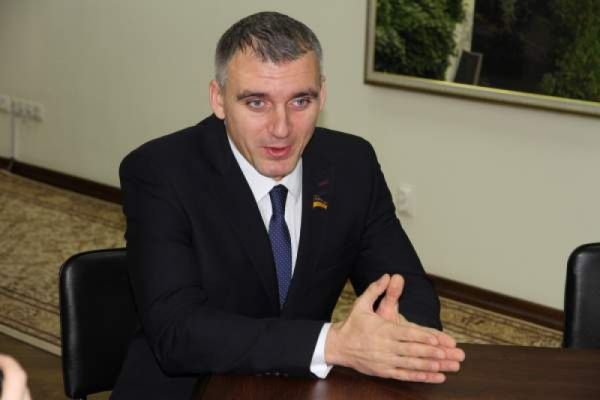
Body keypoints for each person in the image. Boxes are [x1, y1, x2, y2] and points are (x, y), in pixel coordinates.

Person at [112, 11, 464, 399]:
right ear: (219, 99)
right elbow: (177, 333)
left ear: (322, 96)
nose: (281, 128)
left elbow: (406, 285)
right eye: (256, 103)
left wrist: (402, 334)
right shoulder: (161, 171)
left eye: (300, 101)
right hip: (186, 390)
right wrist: (332, 344)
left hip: (302, 388)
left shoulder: (351, 164)